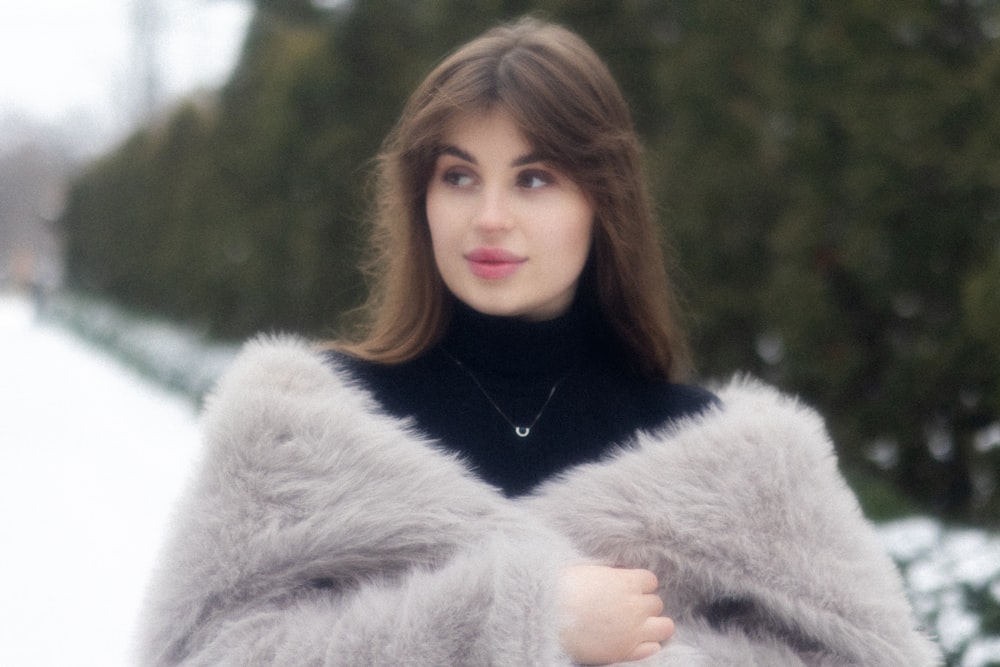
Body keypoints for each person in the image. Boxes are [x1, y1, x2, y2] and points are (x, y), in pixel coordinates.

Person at [136, 18, 940, 666]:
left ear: (603, 198)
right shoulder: (296, 432)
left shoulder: (743, 462)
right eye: (458, 176)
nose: (489, 216)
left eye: (533, 178)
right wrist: (520, 619)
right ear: (420, 197)